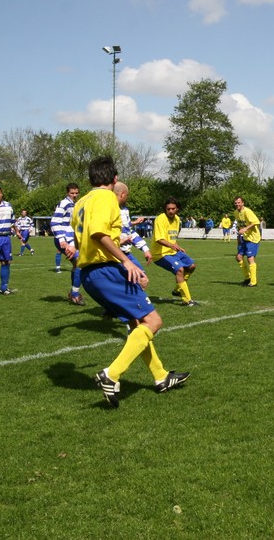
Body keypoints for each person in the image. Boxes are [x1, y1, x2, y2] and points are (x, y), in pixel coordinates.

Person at [72, 156, 189, 408]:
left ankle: (160, 376)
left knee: (137, 323)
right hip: (105, 269)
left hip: (90, 274)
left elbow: (84, 238)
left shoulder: (81, 202)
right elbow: (98, 233)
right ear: (114, 179)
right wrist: (126, 262)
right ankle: (111, 374)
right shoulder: (106, 197)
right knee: (153, 321)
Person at [151, 198, 198, 306]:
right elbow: (159, 239)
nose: (171, 211)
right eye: (168, 209)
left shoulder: (177, 219)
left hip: (172, 251)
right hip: (160, 254)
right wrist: (173, 245)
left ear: (177, 209)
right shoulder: (160, 219)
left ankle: (177, 290)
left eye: (173, 209)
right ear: (165, 209)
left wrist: (177, 246)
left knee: (192, 266)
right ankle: (187, 300)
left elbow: (171, 238)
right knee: (180, 270)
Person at [51, 183, 84, 306]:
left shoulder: (74, 204)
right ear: (67, 193)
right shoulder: (64, 203)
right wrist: (61, 240)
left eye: (76, 193)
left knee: (77, 264)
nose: (74, 195)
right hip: (64, 240)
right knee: (80, 263)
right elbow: (54, 222)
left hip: (71, 240)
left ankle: (73, 293)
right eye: (72, 193)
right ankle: (74, 294)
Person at [113, 182, 152, 265]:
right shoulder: (109, 210)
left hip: (125, 254)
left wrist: (145, 248)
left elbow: (129, 231)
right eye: (127, 195)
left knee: (140, 273)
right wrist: (118, 242)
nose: (127, 198)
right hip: (114, 255)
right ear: (123, 194)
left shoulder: (124, 210)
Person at [233, 196, 261, 287]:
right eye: (236, 203)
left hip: (253, 238)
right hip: (245, 238)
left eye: (239, 202)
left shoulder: (247, 211)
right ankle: (247, 278)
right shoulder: (236, 213)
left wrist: (245, 229)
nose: (237, 204)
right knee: (238, 257)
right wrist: (239, 237)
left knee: (250, 258)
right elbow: (240, 225)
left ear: (243, 203)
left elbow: (256, 222)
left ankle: (253, 281)